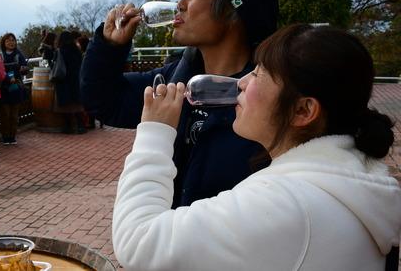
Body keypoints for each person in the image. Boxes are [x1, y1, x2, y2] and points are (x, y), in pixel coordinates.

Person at [112, 24, 401, 271]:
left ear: (303, 110)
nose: (242, 82)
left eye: (259, 73)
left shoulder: (285, 205)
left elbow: (137, 240)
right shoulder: (350, 176)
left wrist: (155, 131)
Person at [81, 0, 278, 206]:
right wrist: (109, 46)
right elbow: (105, 101)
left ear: (232, 10)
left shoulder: (267, 99)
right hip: (168, 238)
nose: (180, 4)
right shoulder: (173, 82)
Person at [0, 32, 28, 145]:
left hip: (16, 87)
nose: (11, 42)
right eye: (8, 40)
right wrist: (6, 78)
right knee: (5, 114)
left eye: (13, 40)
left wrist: (24, 69)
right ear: (3, 43)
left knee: (14, 115)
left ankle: (12, 136)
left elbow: (25, 69)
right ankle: (5, 137)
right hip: (4, 88)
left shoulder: (19, 54)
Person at [53, 31, 86, 134]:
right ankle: (81, 126)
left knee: (65, 105)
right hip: (76, 80)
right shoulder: (77, 50)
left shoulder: (60, 51)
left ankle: (68, 127)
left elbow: (55, 66)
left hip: (63, 80)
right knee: (77, 104)